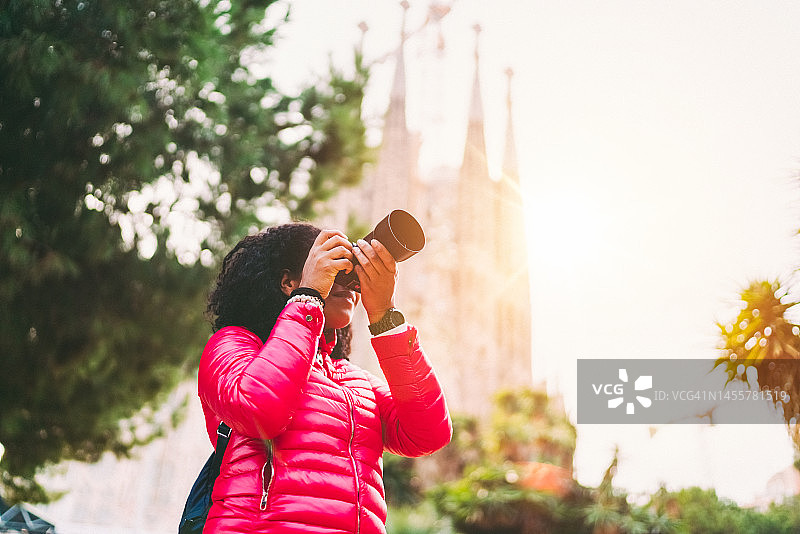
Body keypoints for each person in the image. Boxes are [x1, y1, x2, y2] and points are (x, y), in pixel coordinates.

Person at [198, 222, 452, 533]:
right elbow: (259, 410)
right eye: (334, 269)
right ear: (288, 282)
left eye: (352, 274)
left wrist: (385, 316)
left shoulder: (357, 383)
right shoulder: (234, 345)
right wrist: (309, 297)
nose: (348, 284)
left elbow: (429, 433)